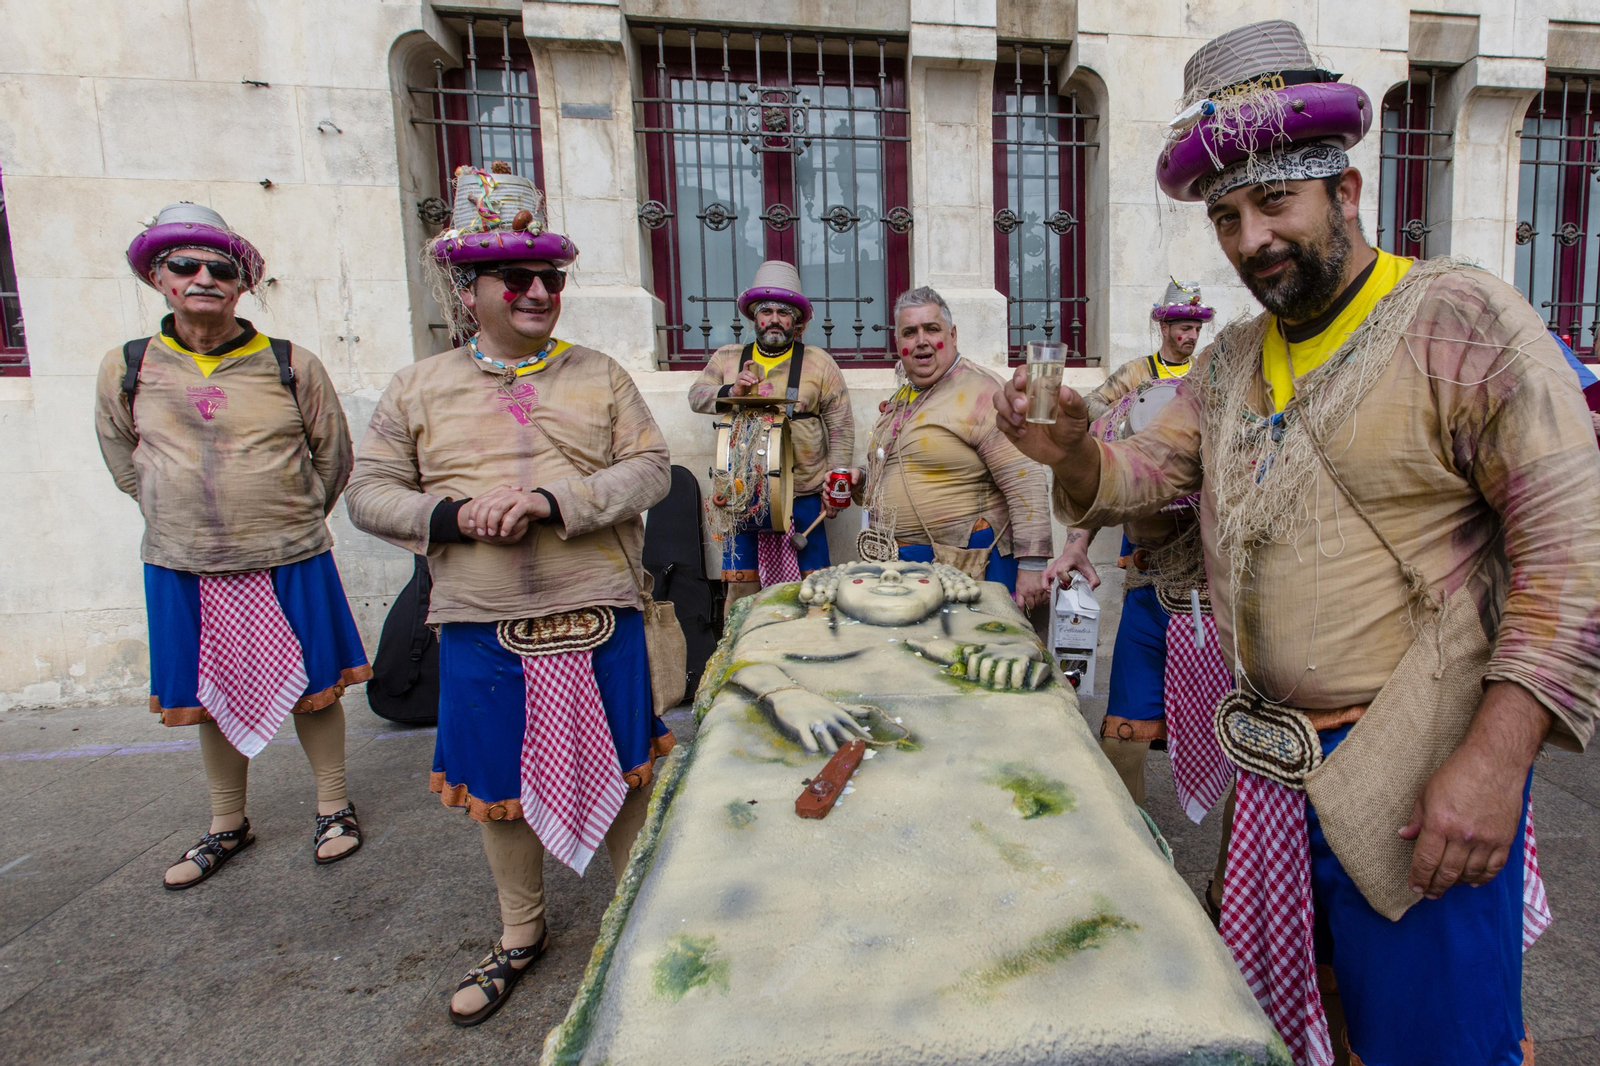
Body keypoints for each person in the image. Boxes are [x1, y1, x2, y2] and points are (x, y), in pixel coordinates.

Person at [995, 19, 1598, 1066]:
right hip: (1271, 769)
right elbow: (1147, 476)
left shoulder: (1461, 319)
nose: (1249, 240)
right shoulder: (1228, 362)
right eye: (1226, 217)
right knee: (1299, 1034)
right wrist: (1070, 452)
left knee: (1435, 1050)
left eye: (1275, 202)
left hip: (1419, 774)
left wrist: (1493, 764)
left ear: (1346, 190)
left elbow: (1570, 554)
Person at [344, 164, 674, 1027]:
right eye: (516, 278)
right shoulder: (418, 386)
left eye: (550, 278)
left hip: (600, 609)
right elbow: (368, 493)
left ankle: (638, 918)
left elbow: (650, 469)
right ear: (470, 288)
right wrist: (451, 515)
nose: (538, 292)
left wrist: (552, 501)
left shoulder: (601, 374)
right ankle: (520, 933)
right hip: (480, 625)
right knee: (498, 783)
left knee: (628, 771)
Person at [96, 203, 370, 889]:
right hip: (184, 562)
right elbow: (123, 458)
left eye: (221, 268)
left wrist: (284, 512)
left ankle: (333, 807)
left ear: (242, 284)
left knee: (317, 687)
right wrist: (175, 510)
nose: (203, 278)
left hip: (289, 552)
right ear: (158, 277)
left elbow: (332, 457)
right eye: (185, 266)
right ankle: (226, 822)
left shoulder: (290, 365)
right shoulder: (129, 367)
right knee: (210, 695)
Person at [859, 287, 1051, 608]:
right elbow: (895, 471)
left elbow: (1026, 479)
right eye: (910, 332)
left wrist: (1033, 567)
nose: (921, 340)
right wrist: (858, 481)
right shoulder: (903, 398)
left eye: (931, 329)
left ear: (952, 335)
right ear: (899, 344)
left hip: (969, 571)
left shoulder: (981, 391)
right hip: (903, 571)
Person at [688, 261, 855, 602]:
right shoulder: (727, 358)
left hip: (805, 496)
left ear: (798, 322)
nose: (775, 319)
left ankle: (813, 650)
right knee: (742, 590)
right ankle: (743, 650)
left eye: (784, 311)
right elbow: (696, 396)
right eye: (767, 311)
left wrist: (836, 488)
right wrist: (731, 391)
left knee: (816, 588)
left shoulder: (820, 363)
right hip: (740, 497)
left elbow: (840, 427)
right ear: (754, 317)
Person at [1084, 279, 1214, 420]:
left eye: (1198, 330)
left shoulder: (1205, 374)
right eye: (1186, 329)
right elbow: (1089, 402)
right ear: (1164, 328)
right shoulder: (1136, 371)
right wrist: (1120, 423)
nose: (1194, 336)